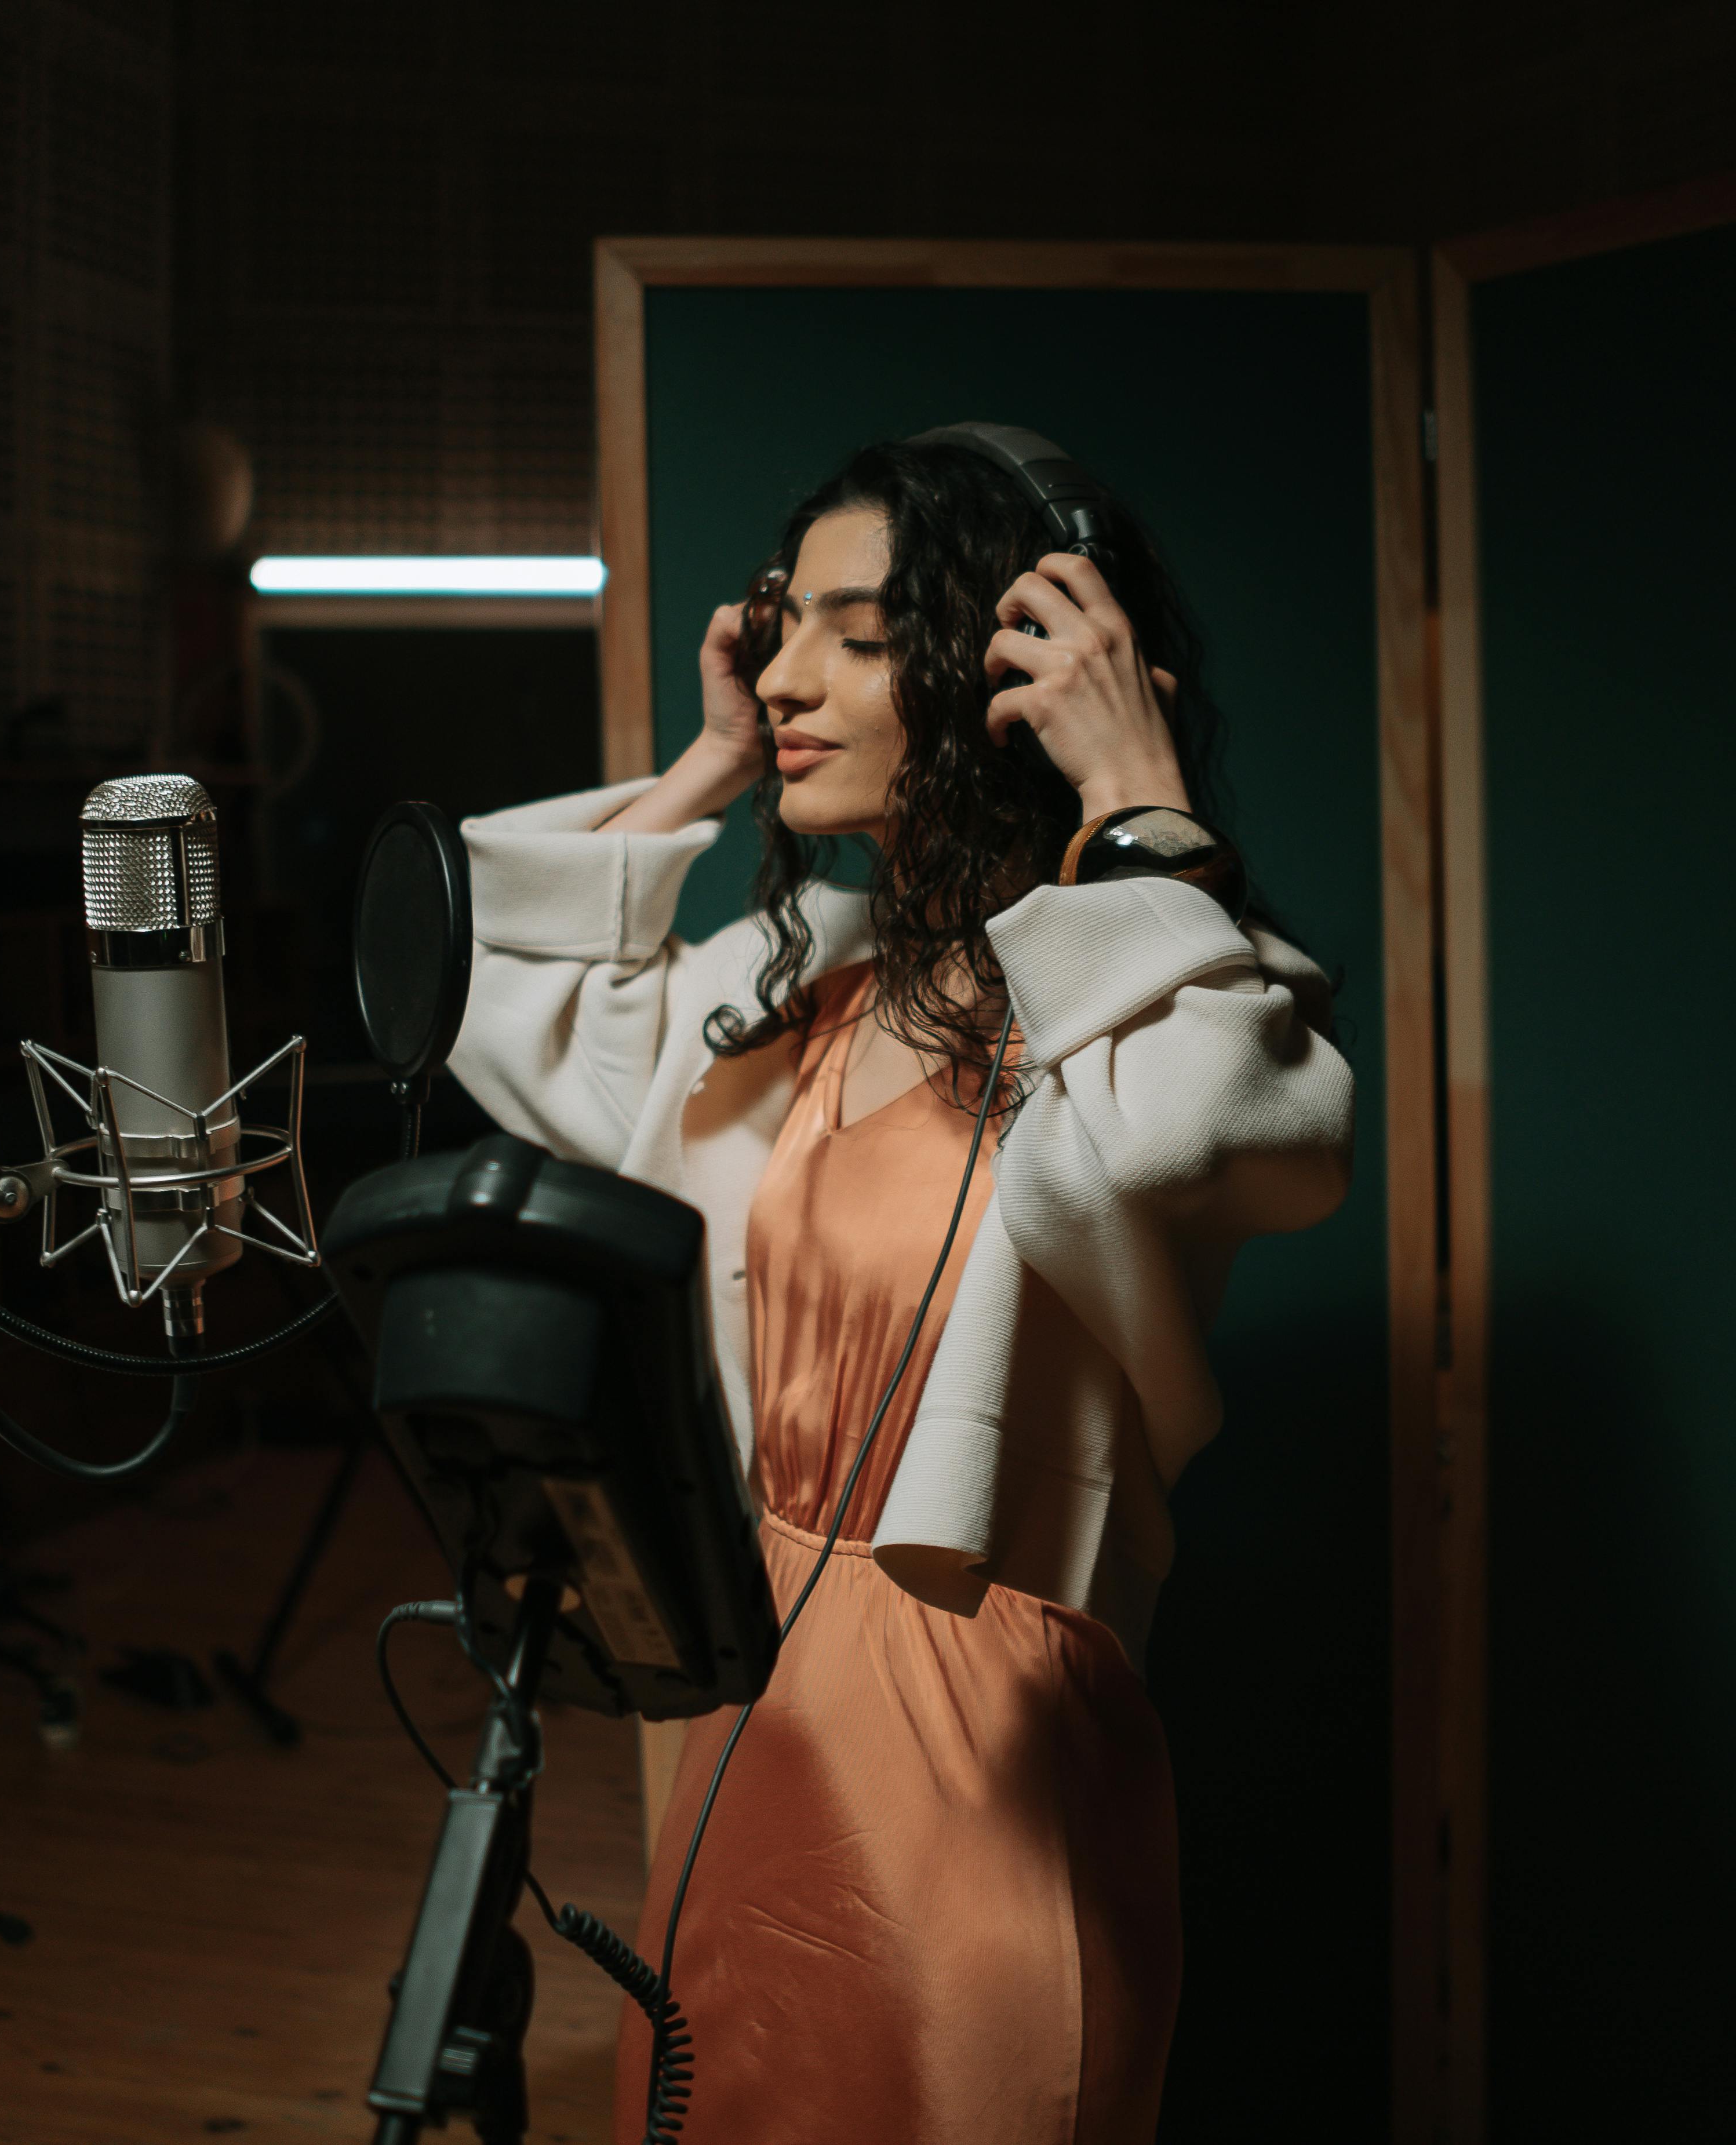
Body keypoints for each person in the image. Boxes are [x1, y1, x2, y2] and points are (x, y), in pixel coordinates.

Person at [445, 434, 1354, 2144]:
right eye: (784, 627)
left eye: (856, 638)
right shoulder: (794, 999)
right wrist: (715, 762)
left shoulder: (1160, 1002)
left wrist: (1137, 801)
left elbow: (1208, 1136)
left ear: (1017, 667)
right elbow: (508, 998)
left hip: (980, 1761)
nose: (785, 674)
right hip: (747, 1736)